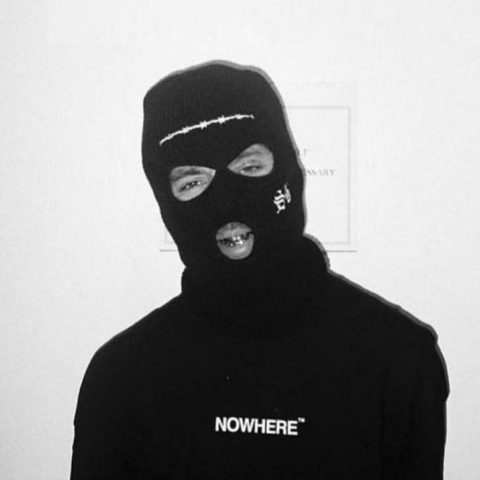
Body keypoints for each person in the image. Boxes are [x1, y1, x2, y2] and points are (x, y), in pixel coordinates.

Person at [70, 61, 449, 479]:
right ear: (166, 205)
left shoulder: (399, 364)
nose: (226, 201)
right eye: (192, 182)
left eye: (249, 167)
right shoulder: (121, 381)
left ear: (289, 172)